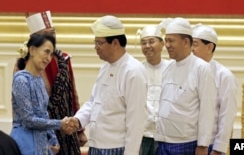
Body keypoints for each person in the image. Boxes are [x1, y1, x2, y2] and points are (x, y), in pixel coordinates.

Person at [71, 15, 147, 155]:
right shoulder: (105, 68)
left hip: (118, 148)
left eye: (99, 43)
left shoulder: (133, 71)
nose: (96, 47)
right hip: (96, 145)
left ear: (115, 43)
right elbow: (93, 102)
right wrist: (78, 120)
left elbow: (136, 120)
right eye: (95, 43)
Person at [13, 11, 87, 155]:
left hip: (64, 132)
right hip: (32, 138)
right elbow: (26, 116)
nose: (51, 37)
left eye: (52, 33)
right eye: (45, 34)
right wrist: (57, 126)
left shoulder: (63, 60)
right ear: (33, 46)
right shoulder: (22, 73)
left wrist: (78, 129)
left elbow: (72, 96)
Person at [154, 17, 217, 155]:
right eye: (166, 41)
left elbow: (207, 110)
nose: (167, 45)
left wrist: (203, 145)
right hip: (162, 141)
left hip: (186, 143)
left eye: (171, 41)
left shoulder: (202, 68)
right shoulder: (168, 67)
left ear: (186, 42)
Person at [10, 33, 75, 155]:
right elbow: (28, 120)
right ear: (32, 50)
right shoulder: (21, 80)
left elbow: (44, 114)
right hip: (24, 143)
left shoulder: (39, 80)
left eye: (51, 54)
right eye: (46, 52)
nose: (48, 58)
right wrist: (59, 123)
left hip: (42, 143)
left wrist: (53, 140)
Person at [192, 23, 238, 155]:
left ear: (209, 47)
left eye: (194, 44)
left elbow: (227, 115)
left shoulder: (224, 76)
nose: (191, 49)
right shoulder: (187, 72)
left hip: (211, 144)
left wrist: (218, 149)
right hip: (187, 143)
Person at [137, 26, 171, 155]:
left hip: (167, 134)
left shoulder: (172, 68)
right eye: (143, 43)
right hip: (143, 134)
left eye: (151, 42)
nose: (147, 46)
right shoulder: (136, 70)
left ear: (162, 44)